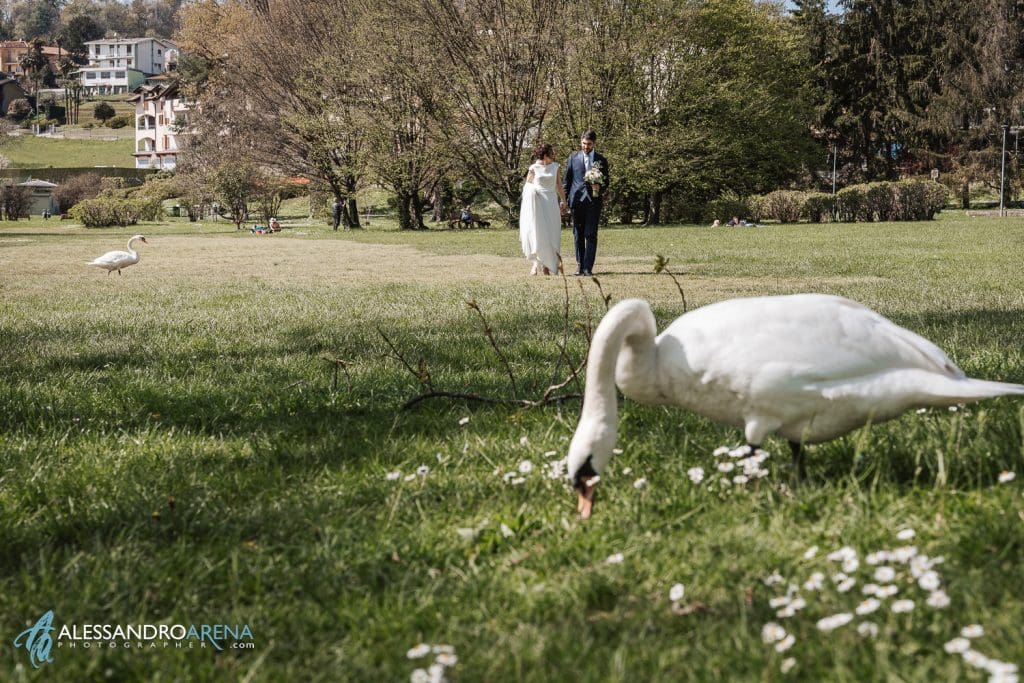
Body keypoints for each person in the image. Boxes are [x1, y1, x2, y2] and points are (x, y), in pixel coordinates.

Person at [563, 130, 609, 276]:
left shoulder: (601, 160)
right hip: (577, 201)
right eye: (583, 143)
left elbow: (607, 181)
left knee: (590, 234)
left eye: (589, 144)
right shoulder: (572, 158)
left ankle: (588, 267)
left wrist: (600, 187)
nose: (585, 146)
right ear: (581, 142)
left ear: (594, 143)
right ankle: (579, 265)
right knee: (578, 234)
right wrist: (564, 201)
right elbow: (567, 181)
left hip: (593, 202)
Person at [519, 142, 567, 276]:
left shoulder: (555, 167)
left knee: (552, 233)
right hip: (538, 203)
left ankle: (549, 266)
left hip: (551, 202)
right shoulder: (533, 168)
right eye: (551, 153)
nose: (553, 156)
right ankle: (536, 264)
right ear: (545, 155)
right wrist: (533, 192)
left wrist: (564, 201)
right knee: (539, 233)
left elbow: (559, 186)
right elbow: (527, 187)